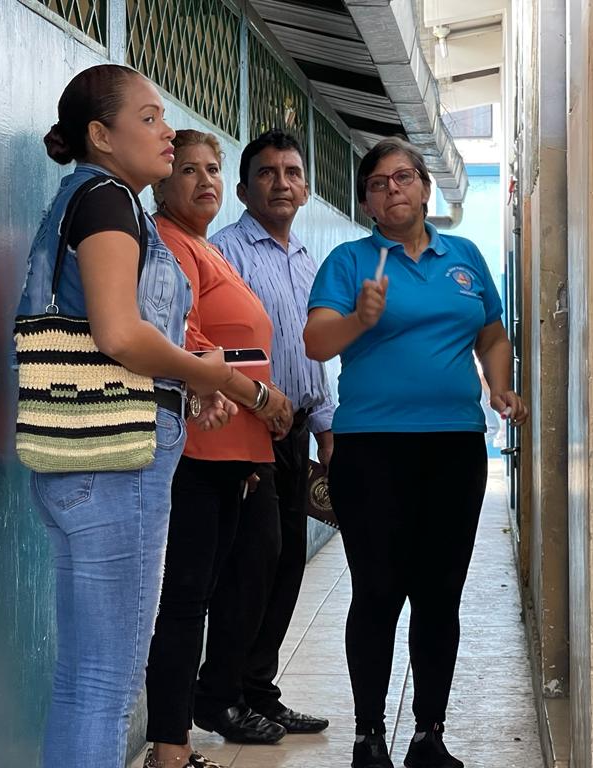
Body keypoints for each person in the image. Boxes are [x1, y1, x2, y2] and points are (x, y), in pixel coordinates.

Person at [15, 65, 239, 768]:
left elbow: (117, 329)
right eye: (148, 118)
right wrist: (205, 372)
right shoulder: (109, 200)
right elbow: (118, 333)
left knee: (85, 678)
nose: (166, 131)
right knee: (105, 683)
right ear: (101, 135)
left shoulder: (85, 199)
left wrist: (186, 377)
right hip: (116, 462)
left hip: (81, 461)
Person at [303, 136, 528, 768]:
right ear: (366, 202)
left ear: (426, 188)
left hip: (454, 448)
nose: (392, 190)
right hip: (371, 451)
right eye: (378, 184)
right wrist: (359, 319)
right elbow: (316, 341)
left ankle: (429, 734)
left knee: (439, 594)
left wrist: (501, 386)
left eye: (403, 178)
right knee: (377, 591)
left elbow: (491, 333)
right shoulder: (350, 262)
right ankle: (369, 736)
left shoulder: (465, 257)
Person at [142, 129, 293, 768]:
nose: (204, 180)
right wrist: (261, 399)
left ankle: (196, 721)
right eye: (188, 170)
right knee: (186, 601)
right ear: (161, 182)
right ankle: (170, 747)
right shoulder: (167, 244)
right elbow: (186, 339)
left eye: (211, 169)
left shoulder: (204, 247)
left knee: (223, 587)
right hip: (199, 449)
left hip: (233, 449)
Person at [193, 129, 333, 743]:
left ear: (305, 189)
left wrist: (324, 425)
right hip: (246, 429)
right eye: (267, 173)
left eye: (292, 172)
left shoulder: (305, 259)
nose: (281, 183)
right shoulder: (226, 253)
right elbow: (223, 346)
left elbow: (312, 354)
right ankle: (220, 694)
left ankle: (258, 692)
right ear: (244, 189)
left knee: (285, 565)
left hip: (295, 429)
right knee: (250, 566)